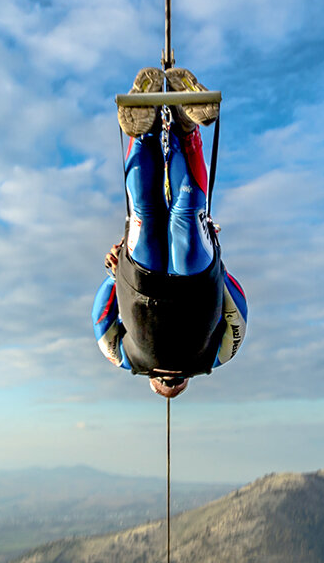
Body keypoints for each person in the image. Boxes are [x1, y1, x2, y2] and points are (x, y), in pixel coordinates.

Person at [92, 67, 248, 398]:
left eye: (165, 383)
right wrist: (113, 274)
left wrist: (112, 275)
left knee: (167, 214)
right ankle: (176, 127)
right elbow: (101, 321)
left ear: (152, 380)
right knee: (169, 216)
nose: (170, 380)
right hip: (168, 285)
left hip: (170, 287)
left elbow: (102, 320)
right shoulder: (210, 358)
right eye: (175, 383)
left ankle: (155, 128)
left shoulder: (129, 359)